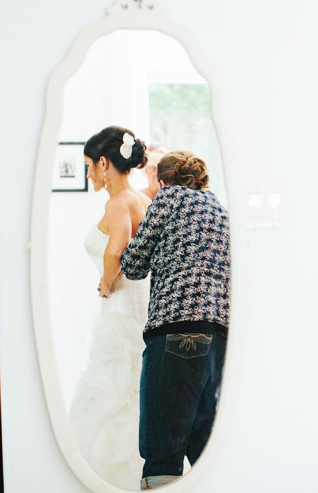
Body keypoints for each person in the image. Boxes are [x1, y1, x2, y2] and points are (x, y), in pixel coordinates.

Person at [120, 151, 230, 490]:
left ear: (162, 180)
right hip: (219, 332)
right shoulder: (221, 210)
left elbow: (135, 263)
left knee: (161, 440)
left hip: (176, 329)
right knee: (201, 437)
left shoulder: (167, 199)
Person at [68, 126, 151, 489]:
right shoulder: (143, 201)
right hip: (139, 307)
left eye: (89, 166)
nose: (88, 175)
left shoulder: (117, 203)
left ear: (104, 163)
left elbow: (116, 249)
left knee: (112, 391)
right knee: (131, 390)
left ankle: (107, 478)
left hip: (120, 310)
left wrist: (104, 283)